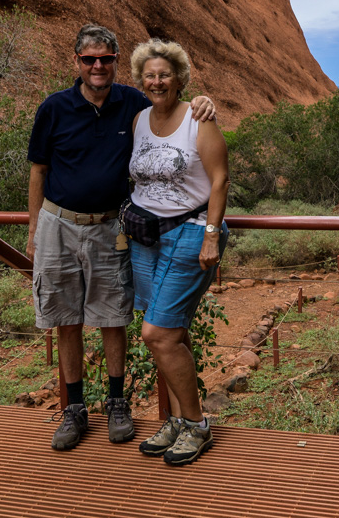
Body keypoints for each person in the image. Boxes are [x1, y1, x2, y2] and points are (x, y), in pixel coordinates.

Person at [27, 24, 215, 451]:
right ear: (76, 62)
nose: (97, 66)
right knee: (66, 318)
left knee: (114, 316)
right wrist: (34, 229)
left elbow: (175, 103)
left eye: (106, 59)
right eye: (89, 59)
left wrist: (204, 101)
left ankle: (117, 403)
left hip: (112, 226)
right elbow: (38, 170)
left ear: (115, 63)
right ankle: (74, 409)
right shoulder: (54, 108)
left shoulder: (131, 102)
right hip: (57, 223)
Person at [126, 38, 229, 466]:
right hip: (145, 235)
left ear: (180, 78)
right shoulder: (139, 120)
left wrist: (210, 235)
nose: (156, 81)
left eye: (164, 74)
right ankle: (176, 422)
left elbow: (220, 180)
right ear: (140, 81)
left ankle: (197, 424)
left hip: (189, 232)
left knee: (157, 334)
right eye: (149, 75)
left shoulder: (197, 118)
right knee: (170, 336)